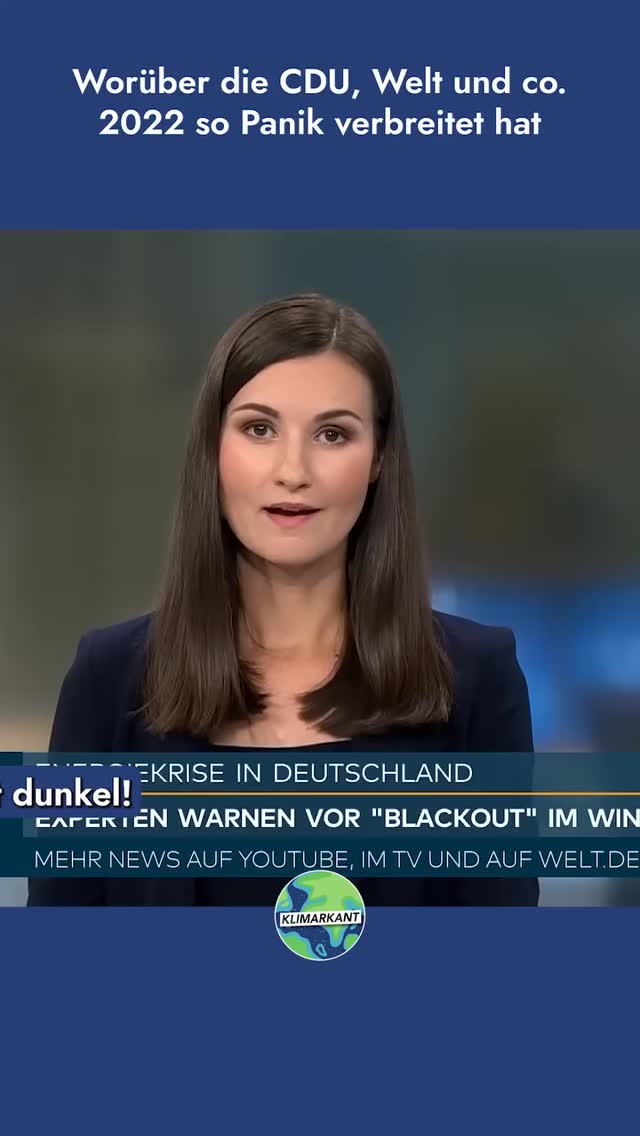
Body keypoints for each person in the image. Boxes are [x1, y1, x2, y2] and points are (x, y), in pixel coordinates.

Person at [28, 292, 539, 906]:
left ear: (378, 458)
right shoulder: (107, 682)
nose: (293, 470)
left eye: (332, 433)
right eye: (259, 429)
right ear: (213, 449)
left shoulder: (476, 681)